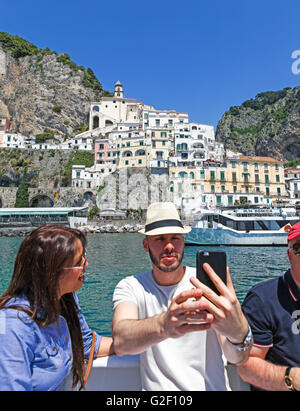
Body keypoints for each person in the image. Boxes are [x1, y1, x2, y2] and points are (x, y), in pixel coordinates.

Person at [112, 202, 252, 391]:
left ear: (184, 241)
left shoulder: (207, 284)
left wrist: (240, 334)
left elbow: (236, 358)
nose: (169, 246)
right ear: (146, 245)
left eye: (175, 238)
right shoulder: (131, 287)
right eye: (160, 239)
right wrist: (164, 325)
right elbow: (121, 341)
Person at [0, 224, 114, 391]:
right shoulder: (13, 327)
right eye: (79, 261)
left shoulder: (64, 300)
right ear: (53, 272)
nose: (86, 265)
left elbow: (87, 346)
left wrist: (149, 337)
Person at [238, 221, 300, 391]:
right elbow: (247, 366)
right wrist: (291, 377)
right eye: (299, 248)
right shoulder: (262, 300)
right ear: (289, 255)